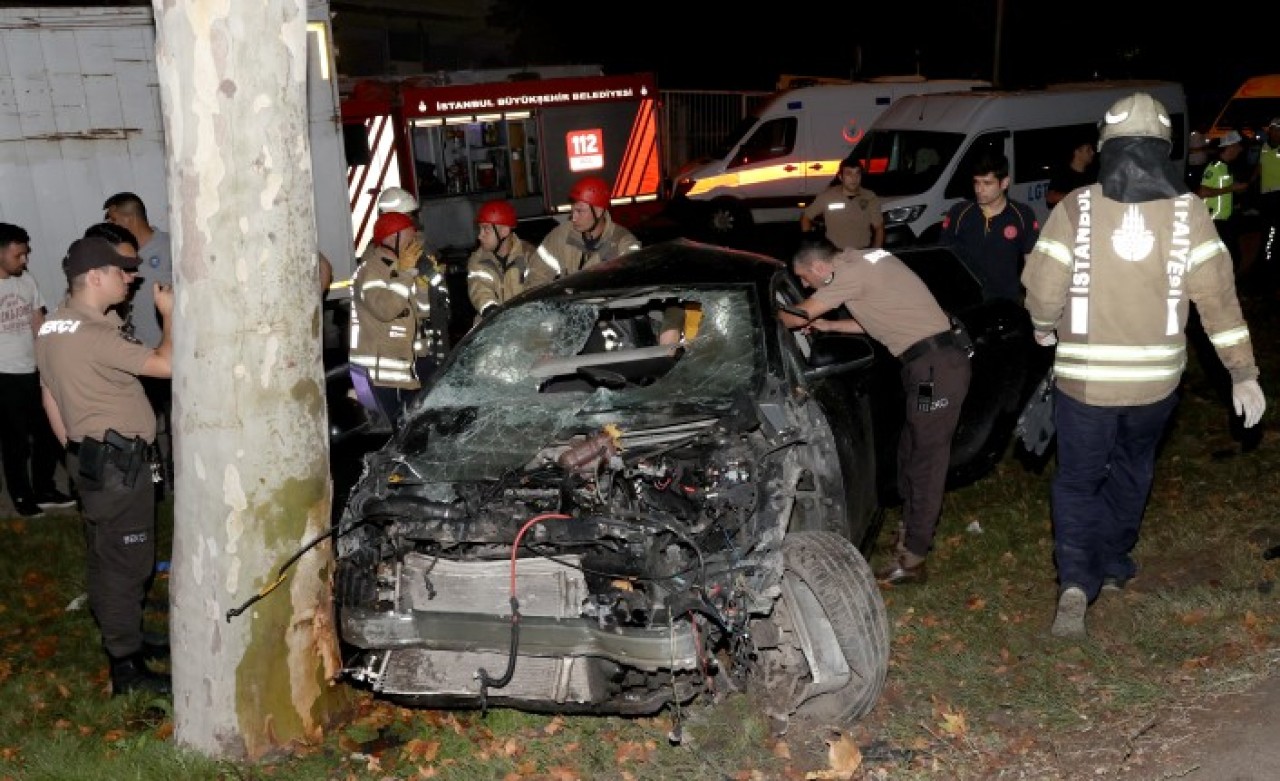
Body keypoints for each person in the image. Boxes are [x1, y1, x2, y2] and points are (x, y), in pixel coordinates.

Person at [1020, 92, 1265, 639]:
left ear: (1105, 147)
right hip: (1156, 387)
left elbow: (1043, 287)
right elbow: (1219, 302)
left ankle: (1075, 585)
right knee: (1132, 470)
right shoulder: (1190, 212)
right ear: (1165, 149)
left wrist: (1042, 325)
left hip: (1085, 385)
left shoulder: (1075, 208)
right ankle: (1112, 567)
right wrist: (1242, 372)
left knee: (1079, 482)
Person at [780, 238, 972, 585]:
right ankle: (911, 530)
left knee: (927, 458)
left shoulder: (848, 273)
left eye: (805, 277)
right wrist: (831, 326)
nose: (806, 285)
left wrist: (766, 312)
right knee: (913, 448)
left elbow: (795, 318)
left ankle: (913, 560)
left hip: (935, 368)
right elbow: (881, 318)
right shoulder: (863, 258)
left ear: (821, 267)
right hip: (929, 367)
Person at [35, 236, 174, 695]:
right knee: (126, 565)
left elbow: (50, 396)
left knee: (104, 555)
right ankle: (126, 671)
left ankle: (128, 642)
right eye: (122, 271)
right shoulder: (95, 335)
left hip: (92, 461)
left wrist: (77, 450)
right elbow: (166, 364)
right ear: (95, 277)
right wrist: (170, 315)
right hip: (117, 468)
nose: (131, 278)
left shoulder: (54, 326)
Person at [0, 223, 73, 517]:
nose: (25, 261)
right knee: (15, 441)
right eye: (19, 255)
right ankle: (21, 494)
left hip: (33, 371)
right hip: (4, 377)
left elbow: (37, 321)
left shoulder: (26, 280)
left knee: (47, 433)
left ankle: (44, 489)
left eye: (25, 255)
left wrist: (49, 362)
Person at [102, 192, 174, 490]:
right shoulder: (120, 253)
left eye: (113, 218)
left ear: (128, 217)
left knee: (175, 424)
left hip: (168, 354)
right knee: (142, 425)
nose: (109, 224)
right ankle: (152, 481)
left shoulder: (170, 246)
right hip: (137, 356)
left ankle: (178, 478)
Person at [349, 212, 435, 422]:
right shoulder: (371, 270)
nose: (415, 243)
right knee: (387, 440)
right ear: (392, 238)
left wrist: (423, 288)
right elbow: (386, 310)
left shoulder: (403, 270)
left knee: (414, 436)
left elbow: (422, 313)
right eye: (409, 237)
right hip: (377, 377)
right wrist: (406, 274)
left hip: (404, 373)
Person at [940, 151, 1039, 303]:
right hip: (965, 302)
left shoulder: (1022, 215)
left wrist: (1033, 301)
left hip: (1005, 301)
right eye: (976, 182)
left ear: (1004, 183)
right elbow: (944, 259)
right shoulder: (958, 213)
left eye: (987, 183)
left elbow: (1032, 263)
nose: (979, 189)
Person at [528, 176, 641, 287]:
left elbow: (630, 288)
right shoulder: (562, 235)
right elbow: (536, 275)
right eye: (572, 211)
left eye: (580, 211)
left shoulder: (623, 244)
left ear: (598, 211)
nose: (573, 217)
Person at [465, 199, 536, 323]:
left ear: (504, 231)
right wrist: (491, 311)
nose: (480, 235)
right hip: (492, 324)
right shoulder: (478, 259)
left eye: (486, 229)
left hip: (526, 324)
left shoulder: (529, 255)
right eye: (480, 229)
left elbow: (539, 289)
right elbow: (479, 289)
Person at [1197, 130, 1255, 270]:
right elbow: (1202, 192)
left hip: (1225, 220)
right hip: (1215, 222)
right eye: (1238, 147)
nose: (1240, 151)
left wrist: (1236, 192)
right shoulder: (1215, 167)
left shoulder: (1226, 167)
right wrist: (1231, 189)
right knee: (1228, 259)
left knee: (1230, 258)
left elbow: (1225, 190)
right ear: (1231, 146)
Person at [800, 157, 885, 249]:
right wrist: (810, 246)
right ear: (841, 177)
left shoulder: (869, 197)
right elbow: (806, 218)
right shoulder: (827, 196)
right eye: (849, 174)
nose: (854, 178)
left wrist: (876, 252)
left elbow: (879, 227)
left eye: (857, 173)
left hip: (861, 253)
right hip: (835, 254)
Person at [1045, 137, 1097, 208]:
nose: (1092, 153)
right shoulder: (1062, 174)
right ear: (1077, 152)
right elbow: (1050, 198)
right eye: (1088, 150)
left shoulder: (1092, 174)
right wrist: (1079, 196)